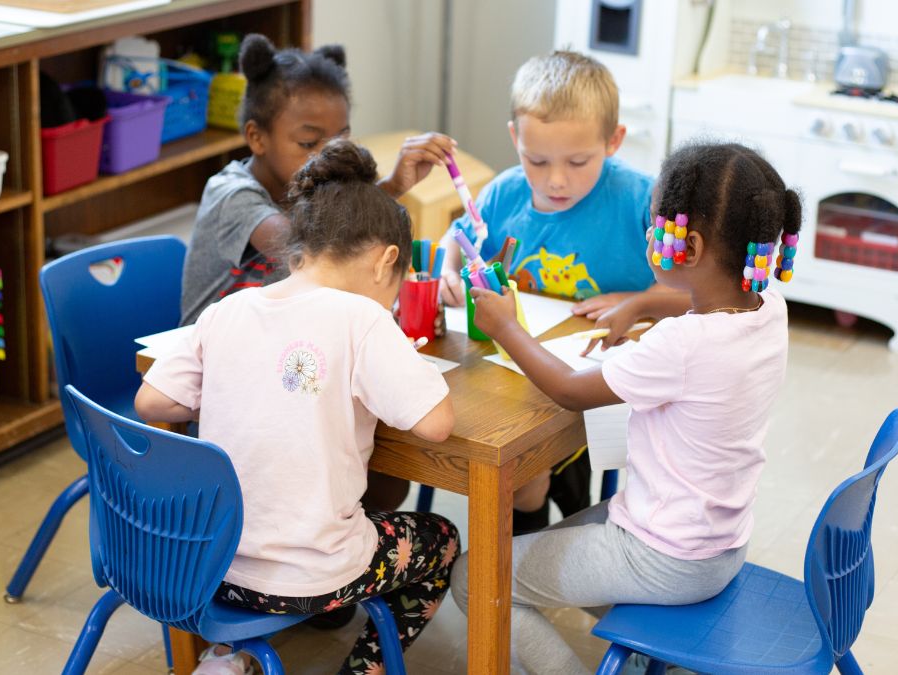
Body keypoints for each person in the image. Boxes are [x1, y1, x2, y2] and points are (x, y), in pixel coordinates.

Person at [451, 142, 801, 674]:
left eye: (658, 225)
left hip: (663, 555)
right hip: (718, 546)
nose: (648, 234)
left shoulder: (682, 344)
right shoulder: (767, 305)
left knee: (476, 578)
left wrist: (505, 326)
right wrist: (636, 304)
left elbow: (569, 389)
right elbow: (693, 312)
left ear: (692, 245)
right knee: (546, 550)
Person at [138, 140, 459, 675]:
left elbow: (152, 399)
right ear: (386, 263)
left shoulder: (230, 310)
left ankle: (228, 654)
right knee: (441, 540)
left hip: (207, 565)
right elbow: (438, 423)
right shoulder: (364, 319)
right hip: (309, 578)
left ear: (297, 253)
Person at [182, 33, 455, 513]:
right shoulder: (234, 195)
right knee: (379, 464)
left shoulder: (317, 204)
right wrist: (385, 190)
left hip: (292, 375)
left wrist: (387, 189)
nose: (327, 154)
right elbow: (317, 252)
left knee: (387, 474)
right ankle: (337, 565)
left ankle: (345, 560)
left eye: (342, 138)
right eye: (309, 142)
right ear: (256, 137)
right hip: (221, 393)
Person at [437, 49, 691, 533]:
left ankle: (522, 575)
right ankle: (521, 568)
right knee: (506, 461)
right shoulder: (504, 192)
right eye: (536, 160)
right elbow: (459, 234)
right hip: (515, 372)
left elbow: (706, 294)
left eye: (578, 161)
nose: (556, 180)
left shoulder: (643, 200)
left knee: (522, 480)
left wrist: (642, 299)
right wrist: (450, 268)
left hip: (600, 382)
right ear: (516, 139)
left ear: (614, 140)